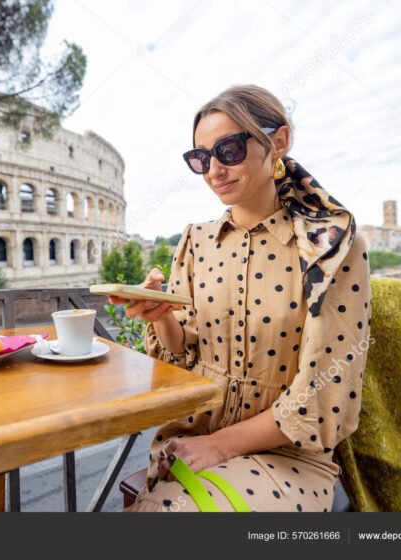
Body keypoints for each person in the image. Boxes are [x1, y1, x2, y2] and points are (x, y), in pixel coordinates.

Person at [109, 85, 372, 512]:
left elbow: (327, 394)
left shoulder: (331, 246)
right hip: (191, 439)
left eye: (228, 149)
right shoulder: (195, 242)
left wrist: (221, 446)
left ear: (278, 142)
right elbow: (184, 358)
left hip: (288, 456)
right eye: (200, 158)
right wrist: (161, 317)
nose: (214, 169)